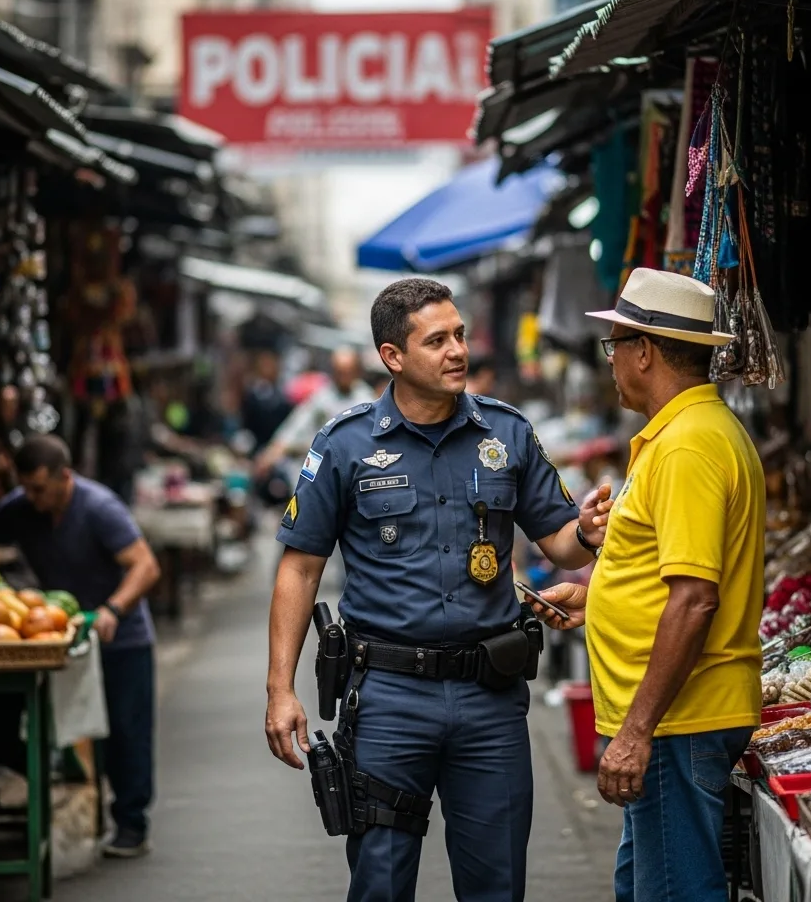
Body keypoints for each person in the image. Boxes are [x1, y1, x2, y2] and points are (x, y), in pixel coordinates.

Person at [265, 277, 606, 902]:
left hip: (490, 700)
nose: (457, 352)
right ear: (393, 356)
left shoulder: (507, 435)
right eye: (437, 340)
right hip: (389, 699)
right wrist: (280, 688)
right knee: (380, 883)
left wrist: (584, 531)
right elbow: (300, 566)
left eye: (460, 336)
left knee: (496, 882)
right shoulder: (345, 445)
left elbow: (558, 540)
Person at [532, 268, 765, 902]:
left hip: (673, 721)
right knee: (646, 887)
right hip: (670, 718)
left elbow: (695, 600)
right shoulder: (683, 436)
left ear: (645, 351)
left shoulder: (688, 446)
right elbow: (673, 578)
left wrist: (635, 732)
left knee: (674, 891)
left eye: (615, 347)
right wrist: (595, 601)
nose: (609, 363)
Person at [0, 435, 162, 859]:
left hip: (121, 637)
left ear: (65, 477)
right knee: (47, 725)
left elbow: (145, 566)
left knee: (127, 733)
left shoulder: (99, 508)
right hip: (65, 636)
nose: (33, 497)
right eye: (26, 488)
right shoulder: (20, 507)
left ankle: (132, 823)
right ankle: (54, 778)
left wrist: (112, 609)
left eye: (40, 488)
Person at [254, 347, 374, 480]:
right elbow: (298, 423)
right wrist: (274, 451)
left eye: (346, 372)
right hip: (320, 465)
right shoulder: (322, 396)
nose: (342, 377)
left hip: (353, 468)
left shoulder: (366, 399)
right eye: (338, 372)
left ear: (356, 372)